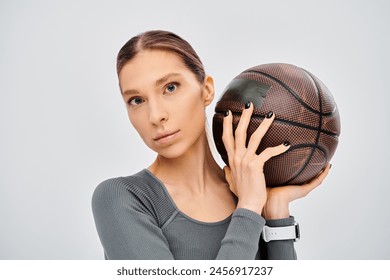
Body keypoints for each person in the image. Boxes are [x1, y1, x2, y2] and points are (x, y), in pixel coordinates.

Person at [91, 30, 331, 260]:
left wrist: (275, 211)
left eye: (170, 88)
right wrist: (248, 208)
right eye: (137, 100)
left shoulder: (251, 191)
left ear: (206, 91)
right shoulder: (121, 198)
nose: (155, 116)